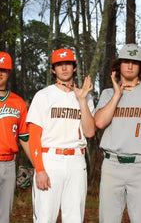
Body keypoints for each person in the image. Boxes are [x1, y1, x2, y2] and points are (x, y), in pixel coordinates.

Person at [95, 43, 141, 223]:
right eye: (126, 61)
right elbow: (99, 122)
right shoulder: (107, 93)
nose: (129, 66)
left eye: (134, 62)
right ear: (118, 65)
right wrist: (116, 95)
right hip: (112, 165)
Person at [27, 48, 95, 223]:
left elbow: (89, 132)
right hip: (50, 159)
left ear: (74, 67)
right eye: (59, 64)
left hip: (76, 161)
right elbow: (33, 136)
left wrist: (81, 100)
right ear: (53, 69)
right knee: (44, 217)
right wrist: (40, 169)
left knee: (74, 218)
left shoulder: (85, 97)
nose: (64, 68)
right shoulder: (43, 96)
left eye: (68, 64)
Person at [0, 52, 32, 223]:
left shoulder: (18, 102)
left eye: (3, 70)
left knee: (5, 215)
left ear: (9, 72)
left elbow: (24, 138)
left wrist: (37, 165)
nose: (0, 73)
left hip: (10, 164)